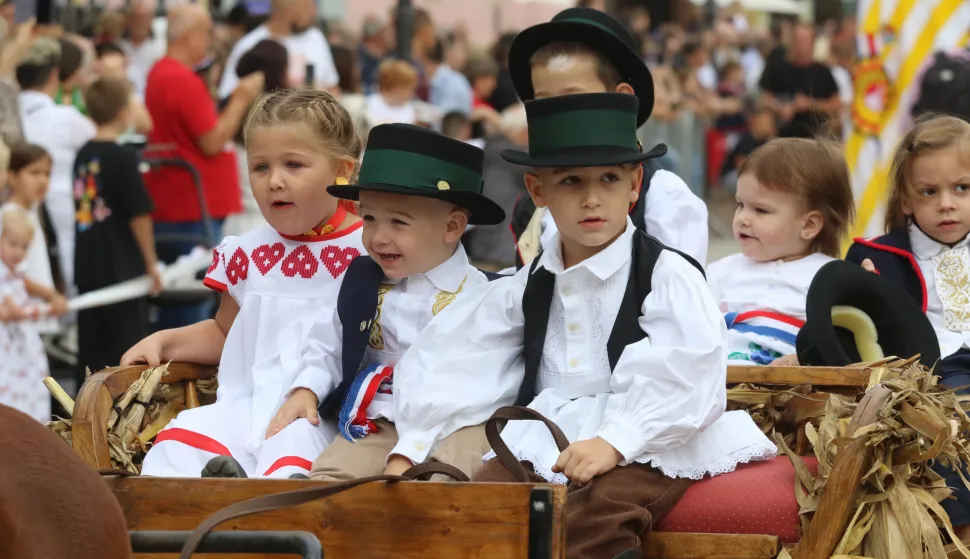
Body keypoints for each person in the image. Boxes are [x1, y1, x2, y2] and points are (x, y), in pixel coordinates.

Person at [381, 93, 775, 559]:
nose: (592, 199)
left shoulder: (666, 276)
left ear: (634, 184)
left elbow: (688, 373)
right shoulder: (527, 284)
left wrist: (616, 440)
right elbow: (462, 356)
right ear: (537, 191)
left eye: (609, 179)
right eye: (571, 181)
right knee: (483, 506)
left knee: (595, 519)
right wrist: (415, 443)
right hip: (547, 430)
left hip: (649, 438)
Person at [123, 89, 366, 479]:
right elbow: (226, 332)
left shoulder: (369, 250)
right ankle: (196, 526)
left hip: (326, 417)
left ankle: (260, 522)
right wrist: (164, 342)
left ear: (341, 170)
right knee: (177, 442)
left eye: (293, 165)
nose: (275, 181)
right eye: (261, 167)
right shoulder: (248, 253)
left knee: (290, 456)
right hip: (245, 407)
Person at [306, 123, 505, 481]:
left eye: (398, 222)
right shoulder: (362, 283)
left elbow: (482, 387)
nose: (378, 237)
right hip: (381, 418)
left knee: (446, 480)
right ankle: (296, 508)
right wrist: (306, 387)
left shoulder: (486, 297)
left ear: (452, 226)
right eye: (368, 218)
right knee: (333, 478)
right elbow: (326, 343)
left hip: (460, 422)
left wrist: (410, 453)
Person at [844, 115, 970, 540]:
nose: (947, 204)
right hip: (933, 371)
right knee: (953, 419)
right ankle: (959, 532)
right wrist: (866, 290)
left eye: (962, 189)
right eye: (929, 192)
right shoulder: (878, 257)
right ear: (904, 199)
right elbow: (849, 329)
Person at [505, 7, 709, 269]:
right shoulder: (531, 206)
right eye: (544, 103)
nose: (557, 115)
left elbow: (679, 301)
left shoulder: (664, 200)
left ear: (621, 97)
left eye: (572, 98)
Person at [144, 3, 263, 330]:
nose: (211, 40)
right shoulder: (180, 77)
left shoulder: (161, 72)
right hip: (192, 205)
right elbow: (211, 141)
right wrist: (241, 98)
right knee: (190, 299)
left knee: (184, 295)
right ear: (192, 36)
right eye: (208, 32)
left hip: (182, 199)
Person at [707, 138, 854, 366]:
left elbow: (846, 342)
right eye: (740, 204)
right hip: (722, 378)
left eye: (761, 210)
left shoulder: (831, 276)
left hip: (794, 386)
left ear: (808, 225)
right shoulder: (722, 270)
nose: (743, 218)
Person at [72, 77, 161, 379]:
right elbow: (139, 215)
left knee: (92, 353)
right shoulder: (123, 158)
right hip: (120, 268)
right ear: (124, 111)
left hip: (88, 265)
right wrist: (151, 264)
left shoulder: (83, 154)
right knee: (125, 353)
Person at [17, 36, 96, 295]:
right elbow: (99, 137)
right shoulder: (67, 119)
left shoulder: (11, 112)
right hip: (58, 212)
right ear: (54, 74)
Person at [2, 143, 65, 335]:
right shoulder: (8, 218)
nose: (42, 181)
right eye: (34, 173)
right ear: (12, 177)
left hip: (34, 315)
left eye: (47, 174)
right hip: (16, 320)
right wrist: (51, 295)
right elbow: (12, 274)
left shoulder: (31, 214)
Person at [218, 0, 337, 100]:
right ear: (290, 11)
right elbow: (229, 94)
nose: (314, 12)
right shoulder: (249, 45)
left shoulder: (315, 38)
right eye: (309, 6)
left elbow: (334, 88)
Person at [0, 208, 53, 423]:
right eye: (12, 244)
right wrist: (30, 311)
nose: (18, 252)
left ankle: (31, 421)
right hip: (8, 343)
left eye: (23, 247)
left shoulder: (17, 275)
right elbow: (7, 311)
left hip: (23, 340)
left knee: (31, 383)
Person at [757, 24, 841, 139]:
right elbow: (764, 99)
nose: (800, 44)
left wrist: (810, 104)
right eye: (797, 40)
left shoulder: (823, 72)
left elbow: (836, 104)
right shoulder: (777, 69)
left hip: (815, 137)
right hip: (782, 135)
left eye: (804, 40)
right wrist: (779, 107)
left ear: (812, 43)